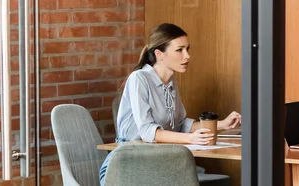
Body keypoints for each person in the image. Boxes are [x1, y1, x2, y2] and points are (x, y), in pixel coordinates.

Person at [99, 23, 242, 185]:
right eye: (179, 50)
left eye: (188, 49)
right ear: (159, 54)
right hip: (126, 167)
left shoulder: (171, 81)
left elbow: (181, 125)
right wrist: (190, 139)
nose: (187, 56)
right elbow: (147, 132)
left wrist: (222, 124)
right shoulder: (139, 79)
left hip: (158, 164)